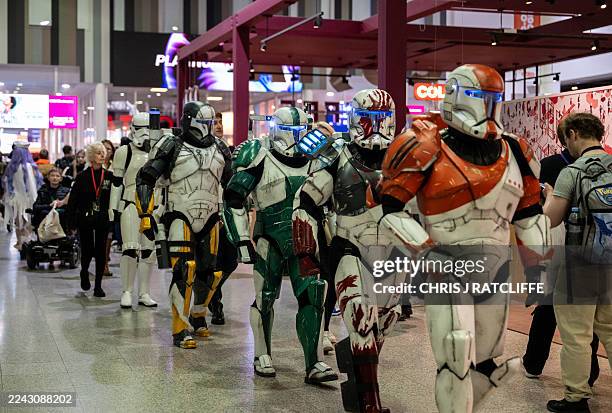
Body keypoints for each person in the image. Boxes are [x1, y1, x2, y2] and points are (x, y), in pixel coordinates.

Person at [373, 64, 551, 413]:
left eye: (492, 99)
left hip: (495, 270)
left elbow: (529, 215)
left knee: (483, 364)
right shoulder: (422, 144)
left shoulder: (516, 151)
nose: (485, 106)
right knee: (455, 355)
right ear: (455, 95)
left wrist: (543, 269)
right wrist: (426, 252)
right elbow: (391, 209)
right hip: (445, 268)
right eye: (476, 97)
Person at [293, 90, 401, 410]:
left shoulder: (406, 157)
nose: (375, 126)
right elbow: (307, 202)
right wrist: (306, 251)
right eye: (368, 118)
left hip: (393, 252)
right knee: (362, 322)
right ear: (354, 118)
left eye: (382, 119)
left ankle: (355, 370)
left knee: (379, 328)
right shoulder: (335, 153)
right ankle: (370, 402)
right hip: (349, 245)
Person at [225, 106, 338, 384]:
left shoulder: (319, 157)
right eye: (291, 131)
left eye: (302, 131)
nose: (297, 137)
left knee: (313, 297)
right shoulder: (257, 153)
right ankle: (262, 354)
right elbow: (234, 198)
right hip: (270, 238)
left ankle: (313, 362)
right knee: (265, 296)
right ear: (276, 130)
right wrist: (240, 240)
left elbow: (333, 202)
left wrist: (336, 238)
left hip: (307, 239)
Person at [136, 101, 232, 349]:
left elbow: (232, 186)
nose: (209, 127)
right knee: (184, 270)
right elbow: (146, 177)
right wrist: (146, 214)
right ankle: (180, 328)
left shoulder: (221, 147)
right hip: (179, 214)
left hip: (212, 215)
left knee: (210, 272)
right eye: (205, 122)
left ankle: (199, 314)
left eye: (212, 122)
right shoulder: (173, 145)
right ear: (190, 120)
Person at [543, 112, 612, 413]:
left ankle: (576, 398)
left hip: (579, 266)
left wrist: (548, 196)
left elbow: (552, 218)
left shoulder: (572, 172)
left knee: (576, 336)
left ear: (572, 134)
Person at [523, 119, 600, 386]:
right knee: (577, 315)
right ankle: (538, 362)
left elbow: (545, 215)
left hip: (572, 247)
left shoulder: (559, 168)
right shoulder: (557, 165)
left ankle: (579, 378)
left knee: (567, 316)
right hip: (582, 248)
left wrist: (552, 197)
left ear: (571, 135)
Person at [109, 113, 157, 309]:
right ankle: (127, 291)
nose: (144, 133)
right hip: (130, 203)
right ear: (133, 129)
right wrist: (113, 206)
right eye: (140, 128)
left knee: (148, 251)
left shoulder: (157, 151)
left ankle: (144, 292)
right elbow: (117, 181)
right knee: (130, 248)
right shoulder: (124, 152)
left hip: (152, 206)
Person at [66, 142, 114, 297]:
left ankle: (98, 286)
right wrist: (71, 222)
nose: (103, 155)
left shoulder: (109, 177)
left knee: (101, 252)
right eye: (99, 152)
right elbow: (73, 201)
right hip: (85, 218)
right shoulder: (82, 177)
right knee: (87, 250)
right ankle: (84, 271)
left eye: (103, 152)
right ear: (92, 156)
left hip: (102, 218)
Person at [208, 111, 238, 325]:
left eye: (220, 122)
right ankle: (215, 303)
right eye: (214, 123)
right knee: (212, 259)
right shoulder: (203, 150)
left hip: (226, 210)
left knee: (230, 260)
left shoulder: (227, 149)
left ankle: (212, 291)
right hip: (206, 211)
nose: (219, 126)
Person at [2, 142, 43, 250]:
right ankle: (27, 242)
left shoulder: (11, 167)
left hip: (15, 199)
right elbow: (34, 186)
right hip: (29, 199)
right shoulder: (31, 167)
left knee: (18, 221)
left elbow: (6, 184)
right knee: (28, 221)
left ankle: (20, 242)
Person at [101, 139, 116, 277]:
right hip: (97, 205)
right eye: (104, 148)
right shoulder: (94, 165)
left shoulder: (116, 166)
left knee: (108, 237)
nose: (106, 152)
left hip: (111, 204)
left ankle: (104, 262)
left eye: (109, 149)